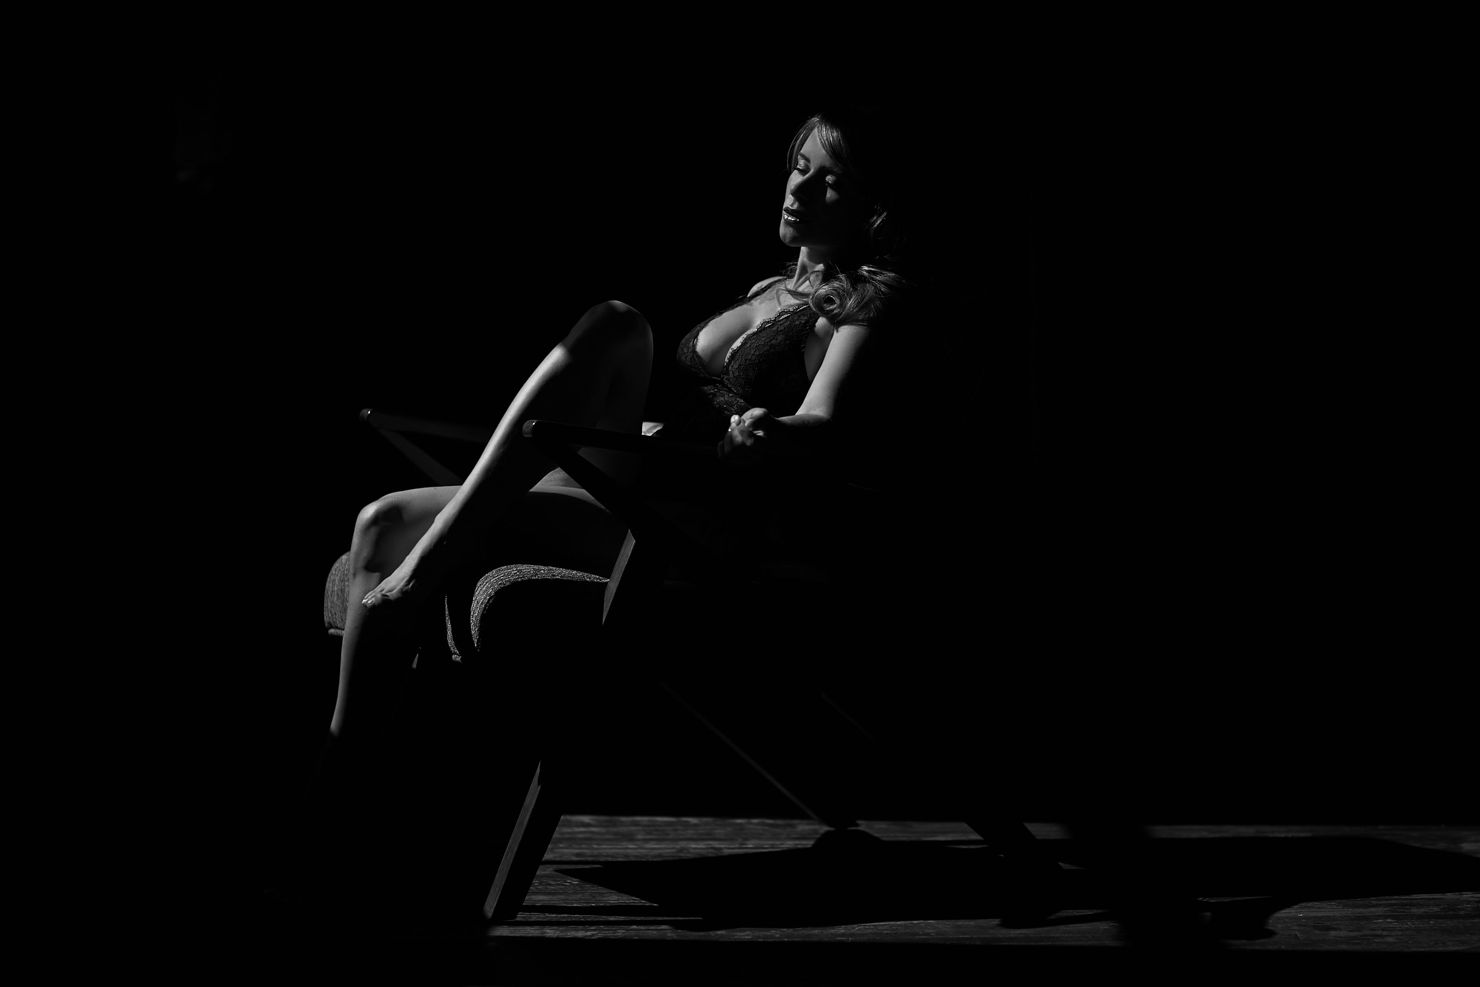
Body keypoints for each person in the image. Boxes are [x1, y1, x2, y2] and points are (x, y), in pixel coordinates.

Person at [299, 104, 919, 920]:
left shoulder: (866, 299)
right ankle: (349, 787)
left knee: (616, 331)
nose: (800, 188)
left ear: (870, 207)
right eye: (799, 166)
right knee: (380, 518)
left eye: (829, 179)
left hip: (695, 525)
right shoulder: (769, 289)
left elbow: (825, 422)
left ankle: (334, 820)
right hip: (637, 480)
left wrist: (771, 428)